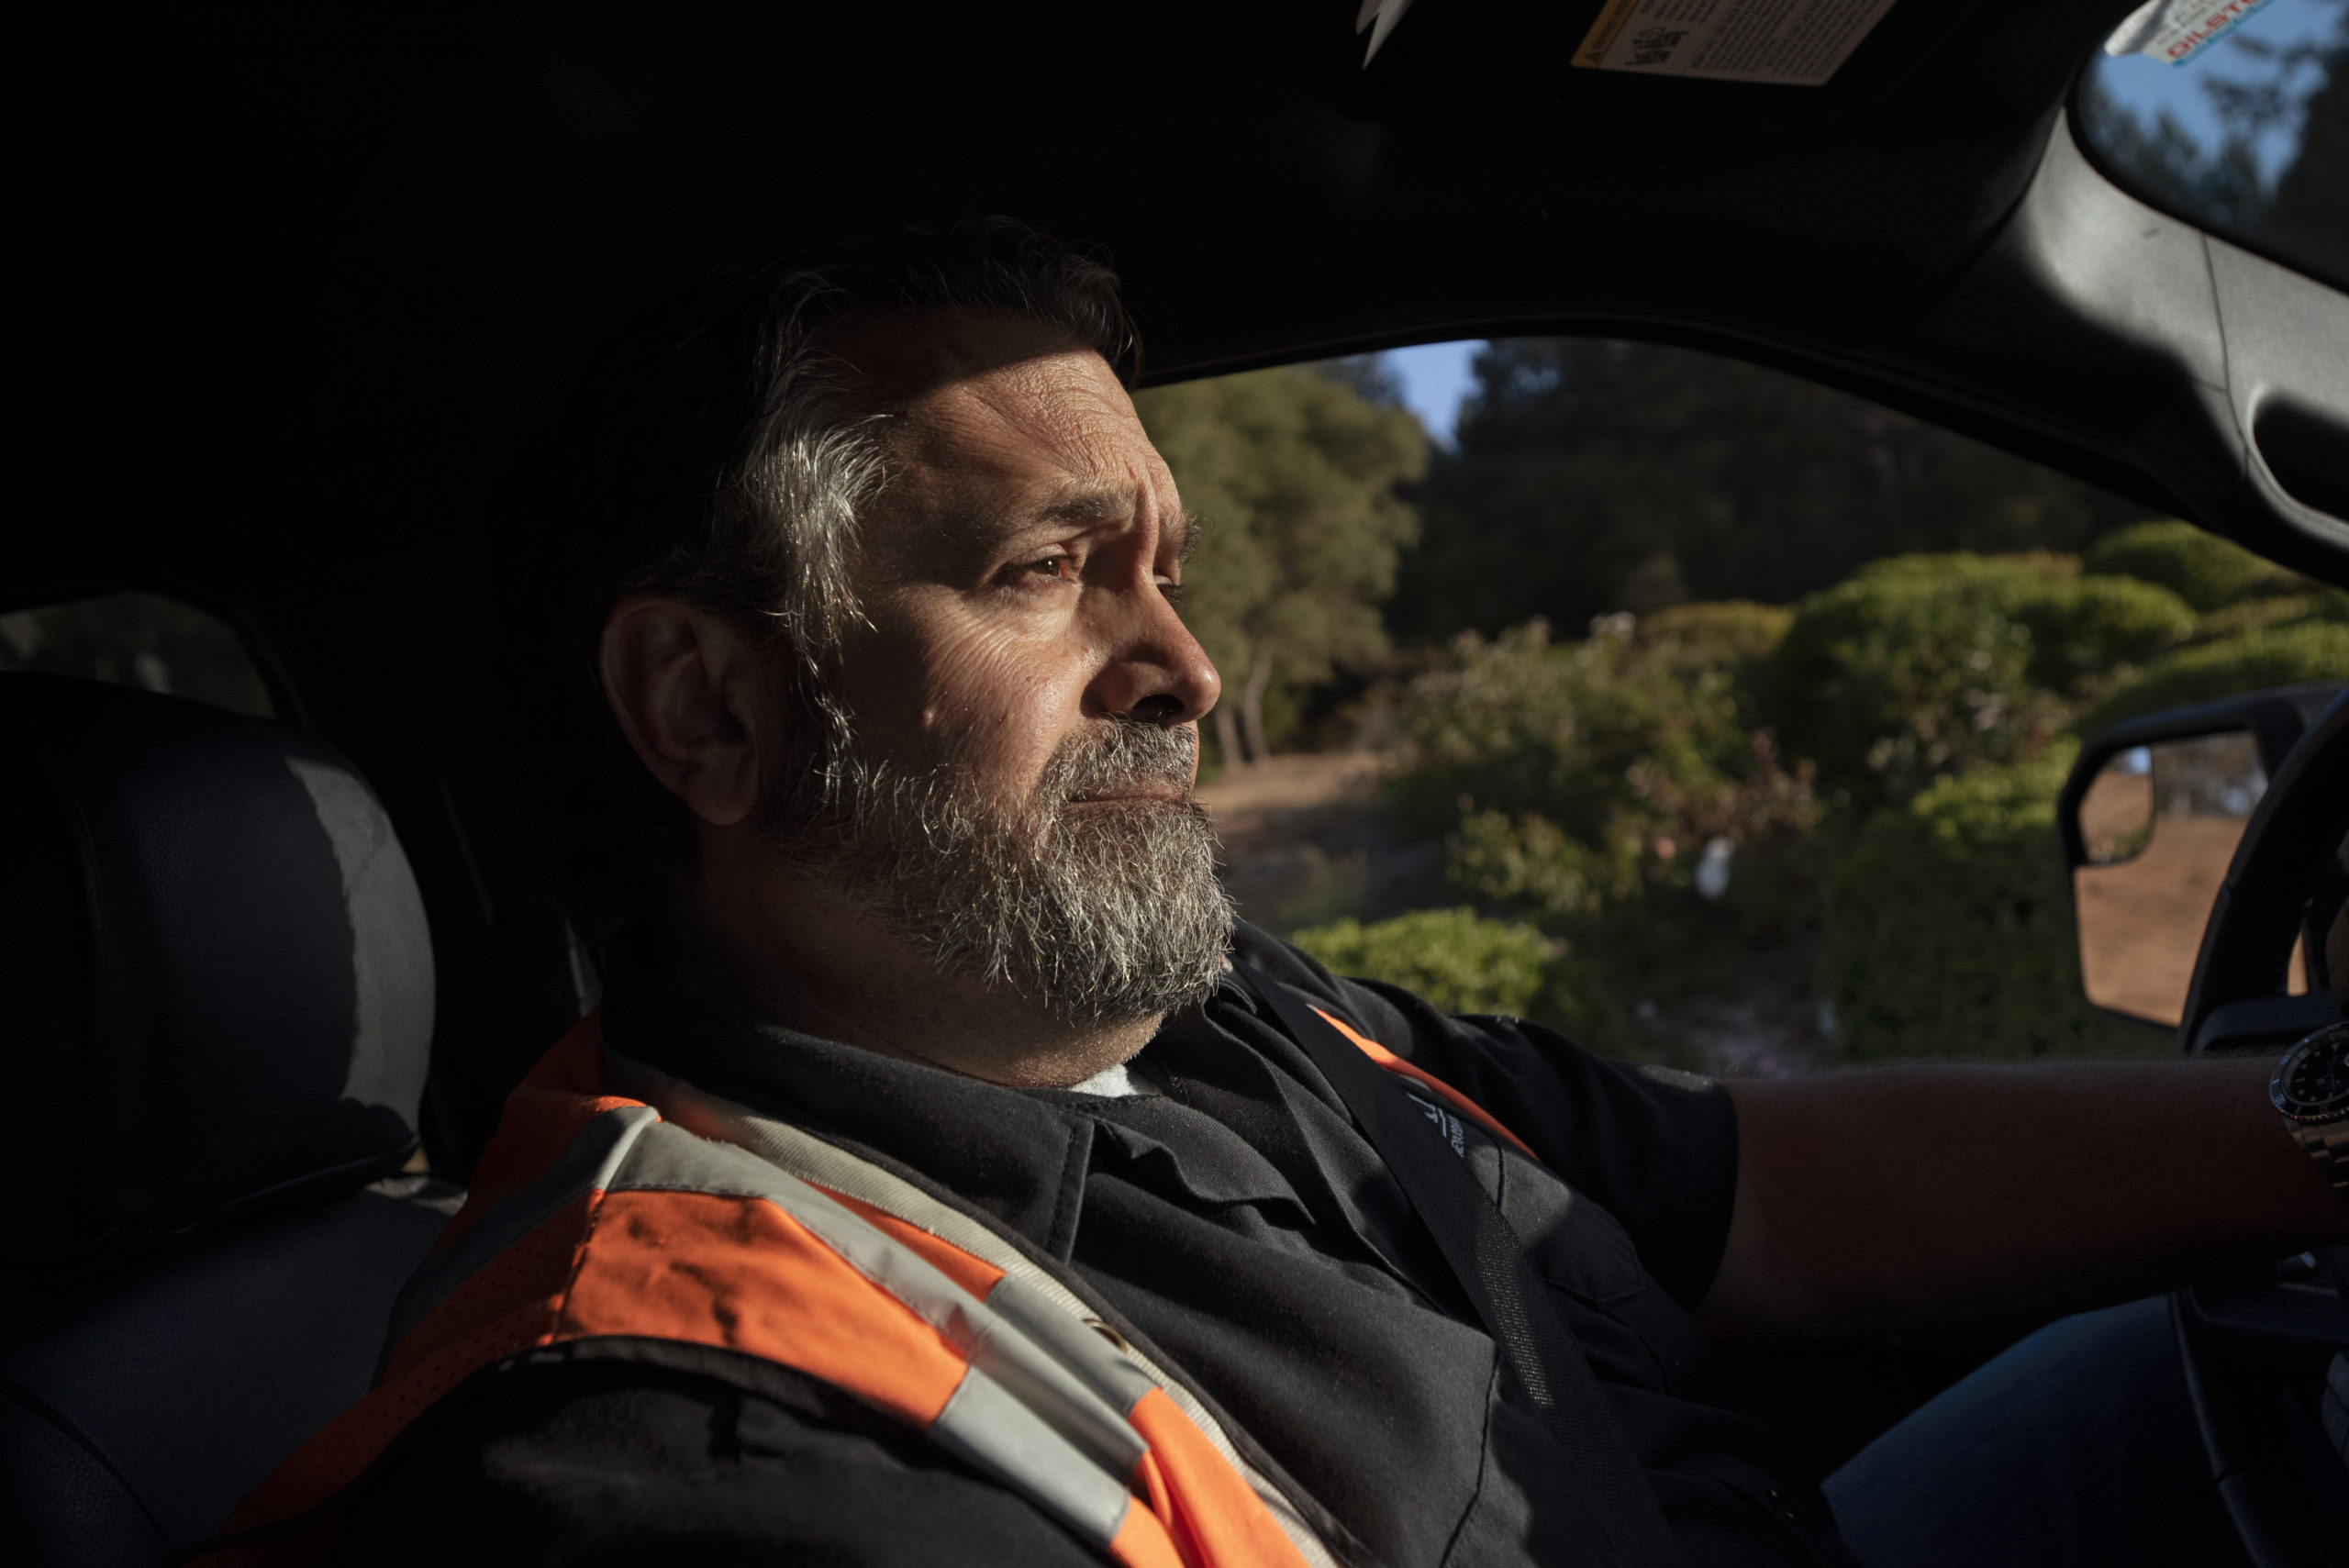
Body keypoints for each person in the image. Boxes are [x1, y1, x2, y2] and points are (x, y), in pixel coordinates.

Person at [206, 221, 2345, 1567]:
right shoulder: (705, 1441)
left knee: (2165, 1371)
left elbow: (1745, 1193)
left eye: (1166, 569)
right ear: (708, 708)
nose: (1187, 667)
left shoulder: (1216, 1013)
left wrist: (2317, 1134)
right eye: (1049, 572)